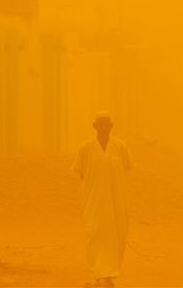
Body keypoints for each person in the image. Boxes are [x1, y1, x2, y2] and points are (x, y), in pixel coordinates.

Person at [71, 111, 133, 287]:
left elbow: (126, 170)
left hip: (116, 202)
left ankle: (109, 272)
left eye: (107, 125)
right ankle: (100, 273)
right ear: (95, 127)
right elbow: (81, 173)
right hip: (94, 202)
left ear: (111, 127)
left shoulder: (121, 148)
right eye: (101, 125)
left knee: (117, 234)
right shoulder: (85, 149)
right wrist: (96, 190)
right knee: (95, 235)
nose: (104, 128)